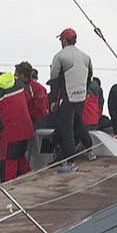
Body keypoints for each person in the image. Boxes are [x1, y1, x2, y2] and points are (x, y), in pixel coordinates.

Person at [0, 65, 34, 182]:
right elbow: (28, 98)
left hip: (10, 133)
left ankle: (8, 192)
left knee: (8, 170)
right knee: (20, 160)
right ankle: (33, 184)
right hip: (26, 129)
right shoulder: (15, 81)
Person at [48, 28, 93, 171]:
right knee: (78, 123)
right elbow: (90, 76)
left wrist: (53, 100)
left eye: (61, 40)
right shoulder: (86, 57)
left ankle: (71, 161)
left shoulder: (60, 56)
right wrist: (84, 91)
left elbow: (54, 80)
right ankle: (90, 150)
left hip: (67, 97)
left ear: (64, 40)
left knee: (66, 128)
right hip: (81, 96)